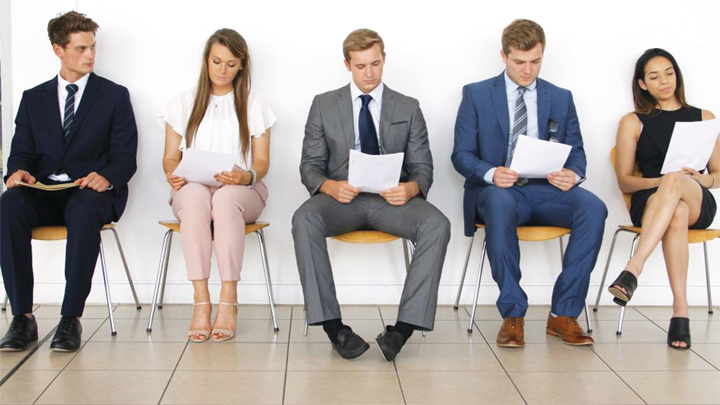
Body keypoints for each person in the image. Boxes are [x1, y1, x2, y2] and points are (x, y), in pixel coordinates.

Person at [292, 28, 450, 361]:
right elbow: (310, 166)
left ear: (384, 59)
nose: (369, 73)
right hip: (340, 200)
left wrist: (410, 188)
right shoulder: (323, 105)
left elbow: (423, 167)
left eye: (375, 64)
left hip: (391, 201)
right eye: (360, 66)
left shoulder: (407, 106)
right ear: (347, 65)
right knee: (304, 218)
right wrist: (330, 186)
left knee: (437, 224)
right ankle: (335, 330)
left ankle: (401, 332)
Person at [452, 19, 606, 348]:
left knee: (594, 208)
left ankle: (563, 314)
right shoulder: (476, 94)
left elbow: (577, 152)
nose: (527, 70)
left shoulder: (561, 97)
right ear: (503, 56)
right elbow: (461, 155)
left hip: (548, 190)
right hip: (499, 191)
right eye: (519, 62)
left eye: (535, 61)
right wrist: (492, 173)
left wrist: (573, 174)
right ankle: (513, 313)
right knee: (500, 202)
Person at [0, 11, 138, 352]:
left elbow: (125, 156)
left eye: (93, 47)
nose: (90, 55)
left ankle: (69, 318)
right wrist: (18, 171)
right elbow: (21, 152)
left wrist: (106, 177)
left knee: (83, 209)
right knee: (9, 205)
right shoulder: (33, 98)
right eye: (81, 48)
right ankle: (22, 317)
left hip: (89, 192)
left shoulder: (114, 96)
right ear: (58, 50)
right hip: (45, 190)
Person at [161, 29, 275, 343]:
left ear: (242, 66)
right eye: (216, 61)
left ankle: (228, 300)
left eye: (231, 64)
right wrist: (172, 173)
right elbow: (170, 157)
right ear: (206, 60)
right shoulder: (182, 103)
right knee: (195, 199)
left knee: (224, 200)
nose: (222, 70)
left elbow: (262, 162)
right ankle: (201, 302)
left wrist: (245, 176)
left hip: (241, 191)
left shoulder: (254, 103)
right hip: (193, 186)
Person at [608, 48, 719, 350]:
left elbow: (719, 174)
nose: (665, 81)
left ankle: (633, 269)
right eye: (655, 77)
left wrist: (701, 180)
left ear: (677, 75)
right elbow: (624, 180)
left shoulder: (704, 117)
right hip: (651, 201)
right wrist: (663, 182)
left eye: (669, 73)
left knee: (679, 191)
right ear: (642, 84)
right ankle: (681, 312)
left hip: (697, 199)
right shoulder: (633, 121)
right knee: (675, 209)